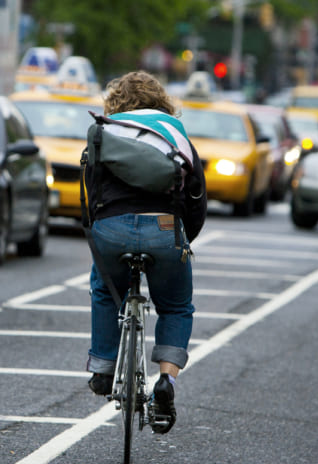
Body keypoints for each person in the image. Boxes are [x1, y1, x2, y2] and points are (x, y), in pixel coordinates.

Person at [84, 71, 203, 434]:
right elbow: (196, 198)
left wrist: (99, 232)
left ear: (116, 100)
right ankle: (166, 380)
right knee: (176, 306)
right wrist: (183, 242)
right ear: (161, 99)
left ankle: (103, 368)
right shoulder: (175, 132)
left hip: (111, 229)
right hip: (164, 228)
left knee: (105, 288)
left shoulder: (107, 128)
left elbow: (90, 192)